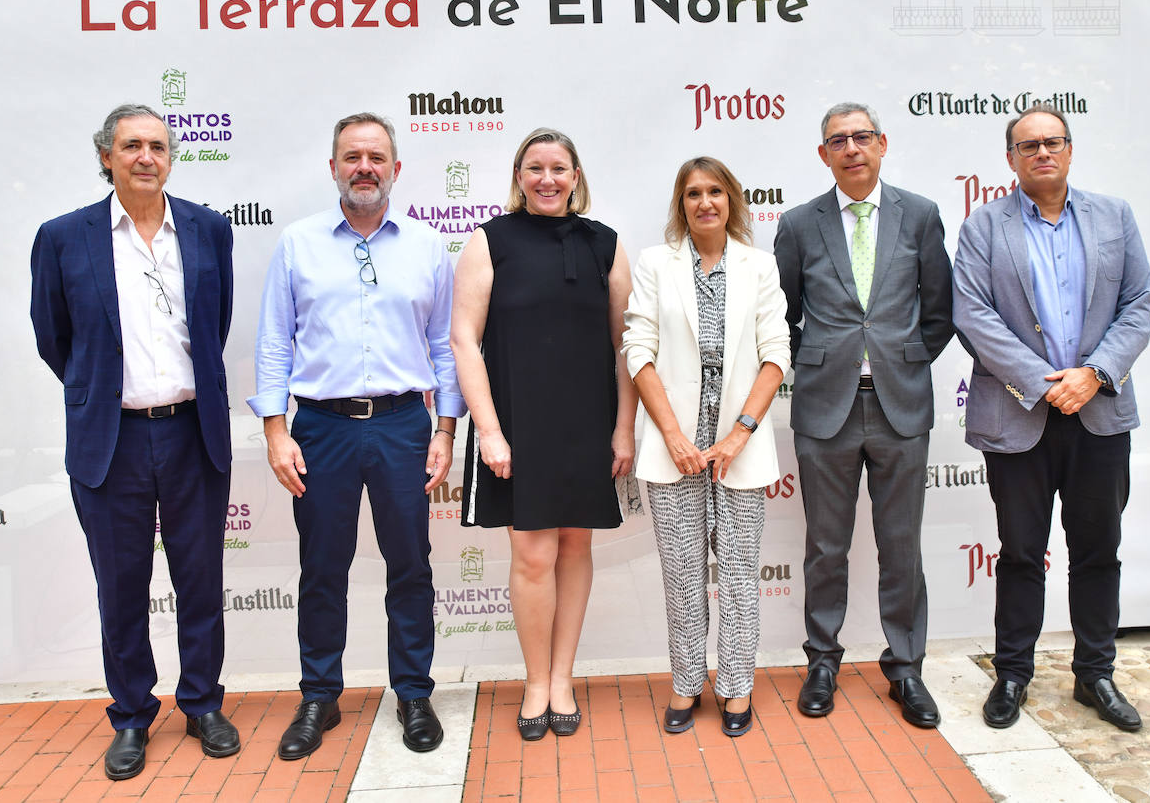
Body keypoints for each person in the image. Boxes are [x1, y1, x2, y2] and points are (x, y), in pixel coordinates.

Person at [30, 104, 238, 780]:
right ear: (107, 157)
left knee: (200, 579)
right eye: (131, 146)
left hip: (191, 432)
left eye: (157, 145)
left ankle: (203, 703)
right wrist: (101, 392)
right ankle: (129, 716)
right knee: (121, 586)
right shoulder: (63, 238)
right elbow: (54, 339)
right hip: (111, 438)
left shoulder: (208, 230)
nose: (146, 156)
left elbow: (215, 327)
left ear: (170, 157)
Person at [249, 112, 465, 758]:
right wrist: (274, 431)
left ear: (396, 169)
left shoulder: (428, 247)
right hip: (319, 428)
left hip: (403, 424)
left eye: (376, 157)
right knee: (321, 569)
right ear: (334, 167)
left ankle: (414, 694)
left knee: (411, 567)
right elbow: (272, 342)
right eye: (352, 157)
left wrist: (446, 428)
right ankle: (319, 697)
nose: (364, 167)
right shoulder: (297, 242)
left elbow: (445, 346)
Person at [952, 105, 1150, 732]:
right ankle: (1012, 673)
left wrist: (1092, 375)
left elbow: (1139, 304)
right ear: (1010, 159)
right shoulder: (983, 226)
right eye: (1028, 145)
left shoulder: (1114, 216)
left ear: (1070, 150)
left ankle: (1096, 674)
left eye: (1053, 141)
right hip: (1020, 415)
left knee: (1098, 551)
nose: (1042, 152)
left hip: (1100, 412)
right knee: (1019, 552)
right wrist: (1045, 384)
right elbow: (972, 313)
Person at [450, 128, 635, 741]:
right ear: (520, 176)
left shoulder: (604, 244)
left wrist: (624, 428)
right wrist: (490, 432)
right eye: (536, 168)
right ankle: (535, 682)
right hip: (517, 425)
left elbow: (626, 345)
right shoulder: (489, 242)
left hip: (588, 424)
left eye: (559, 168)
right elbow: (463, 341)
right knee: (533, 556)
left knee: (576, 549)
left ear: (576, 176)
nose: (547, 179)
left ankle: (563, 679)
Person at [773, 102, 954, 727]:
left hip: (900, 406)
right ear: (823, 154)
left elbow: (939, 312)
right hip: (826, 409)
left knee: (901, 546)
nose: (851, 149)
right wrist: (826, 362)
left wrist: (899, 360)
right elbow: (783, 317)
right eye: (837, 141)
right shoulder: (799, 225)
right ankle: (822, 660)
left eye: (861, 138)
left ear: (882, 144)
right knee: (826, 546)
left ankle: (906, 667)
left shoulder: (921, 215)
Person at [622, 157, 790, 738]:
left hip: (741, 444)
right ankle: (686, 683)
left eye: (715, 191)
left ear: (732, 199)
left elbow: (776, 354)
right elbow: (638, 349)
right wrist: (673, 436)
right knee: (683, 574)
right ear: (681, 204)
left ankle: (737, 686)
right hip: (673, 446)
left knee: (741, 573)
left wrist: (737, 435)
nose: (705, 202)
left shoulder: (759, 265)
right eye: (693, 193)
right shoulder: (655, 264)